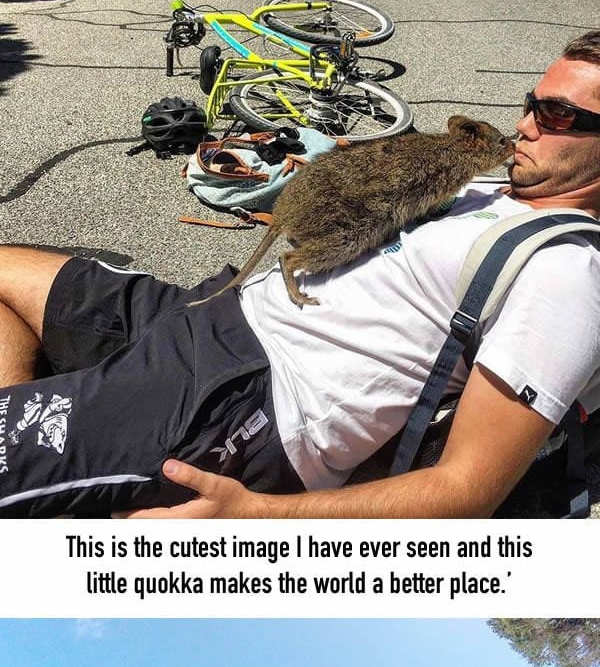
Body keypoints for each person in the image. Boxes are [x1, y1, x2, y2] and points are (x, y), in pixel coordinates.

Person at [3, 34, 600, 522]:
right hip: (213, 311)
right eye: (532, 101)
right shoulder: (493, 187)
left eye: (558, 114)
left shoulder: (567, 271)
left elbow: (467, 489)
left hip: (245, 395)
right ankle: (59, 431)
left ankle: (66, 440)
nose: (524, 124)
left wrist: (252, 516)